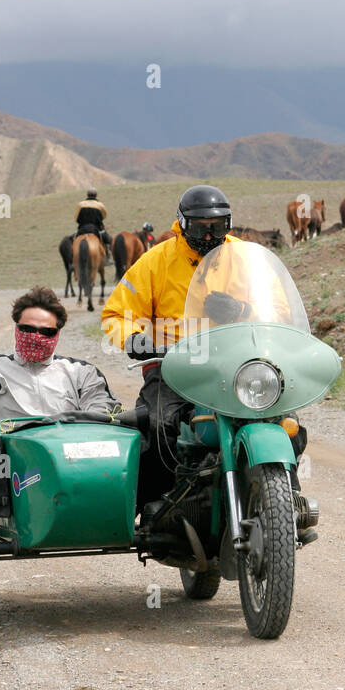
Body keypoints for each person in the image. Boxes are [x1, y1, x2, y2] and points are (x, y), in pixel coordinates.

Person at [102, 185, 261, 511]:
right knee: (158, 424)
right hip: (172, 362)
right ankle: (157, 504)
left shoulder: (245, 258)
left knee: (279, 416)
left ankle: (284, 493)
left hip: (236, 361)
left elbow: (278, 310)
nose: (207, 236)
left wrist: (241, 312)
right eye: (198, 227)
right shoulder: (156, 260)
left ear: (227, 224)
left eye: (215, 227)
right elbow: (117, 313)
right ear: (181, 224)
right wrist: (134, 337)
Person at [0, 283, 119, 440]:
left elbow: (103, 417)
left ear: (57, 333)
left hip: (67, 467)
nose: (36, 337)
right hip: (6, 473)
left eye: (46, 332)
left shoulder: (82, 373)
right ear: (16, 328)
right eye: (27, 329)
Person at [74, 188, 111, 256]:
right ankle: (108, 255)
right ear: (96, 195)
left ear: (87, 195)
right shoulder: (100, 205)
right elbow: (104, 216)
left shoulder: (80, 204)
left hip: (82, 229)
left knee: (73, 240)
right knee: (108, 239)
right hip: (96, 229)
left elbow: (76, 218)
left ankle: (71, 259)